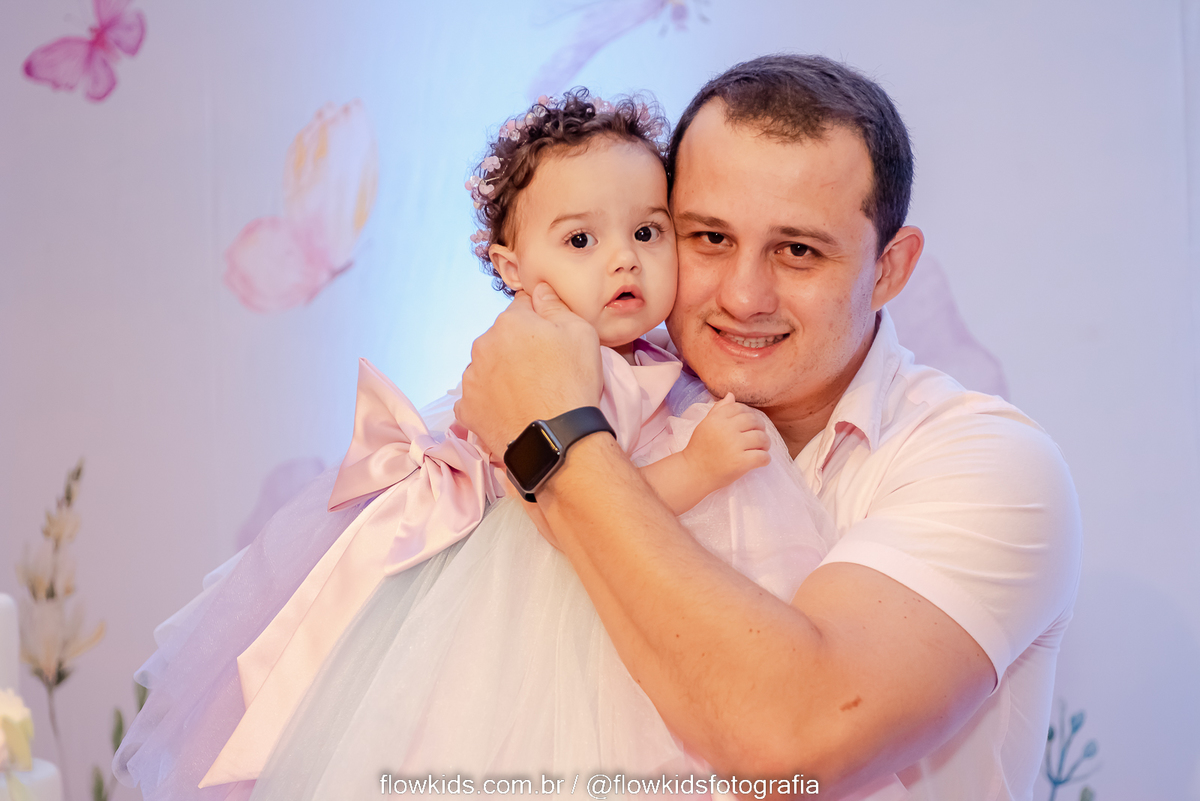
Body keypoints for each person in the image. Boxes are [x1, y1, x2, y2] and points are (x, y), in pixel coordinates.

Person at [115, 91, 845, 800]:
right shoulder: (560, 368)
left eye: (648, 233)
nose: (624, 260)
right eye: (581, 241)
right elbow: (578, 504)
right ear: (513, 267)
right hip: (556, 610)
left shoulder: (655, 361)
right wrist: (698, 466)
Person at [455, 56, 1083, 800]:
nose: (744, 296)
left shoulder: (988, 463)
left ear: (888, 268)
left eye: (798, 251)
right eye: (709, 238)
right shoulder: (624, 400)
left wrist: (555, 436)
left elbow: (792, 743)